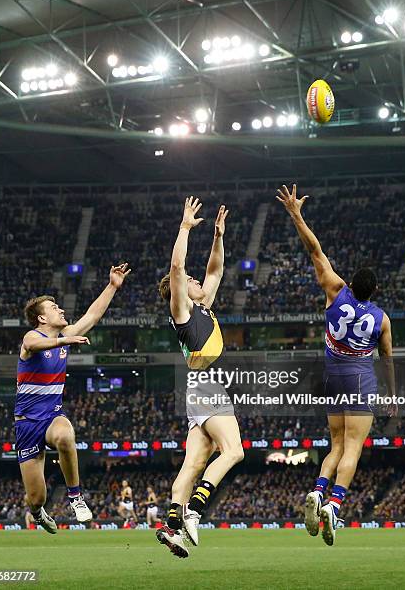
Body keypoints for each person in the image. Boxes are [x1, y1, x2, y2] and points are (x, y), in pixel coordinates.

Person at [276, 184, 395, 546]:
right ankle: (334, 505)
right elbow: (388, 360)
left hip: (333, 379)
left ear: (351, 284)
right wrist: (391, 394)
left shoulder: (335, 290)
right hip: (360, 380)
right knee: (353, 449)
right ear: (373, 291)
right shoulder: (382, 318)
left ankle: (318, 490)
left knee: (335, 446)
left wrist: (296, 213)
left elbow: (315, 250)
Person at [156, 197, 244, 558]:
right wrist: (185, 227)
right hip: (207, 386)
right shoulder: (182, 311)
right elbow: (178, 268)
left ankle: (171, 526)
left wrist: (218, 236)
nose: (195, 280)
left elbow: (215, 271)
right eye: (189, 281)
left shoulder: (202, 306)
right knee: (234, 451)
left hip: (199, 391)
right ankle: (195, 508)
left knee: (193, 463)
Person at [15, 264, 131, 533]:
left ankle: (76, 497)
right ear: (42, 319)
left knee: (66, 436)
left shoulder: (66, 336)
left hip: (51, 416)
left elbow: (92, 315)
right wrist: (63, 342)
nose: (61, 310)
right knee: (37, 498)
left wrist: (112, 286)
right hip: (26, 424)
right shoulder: (33, 336)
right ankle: (38, 513)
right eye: (54, 309)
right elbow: (33, 345)